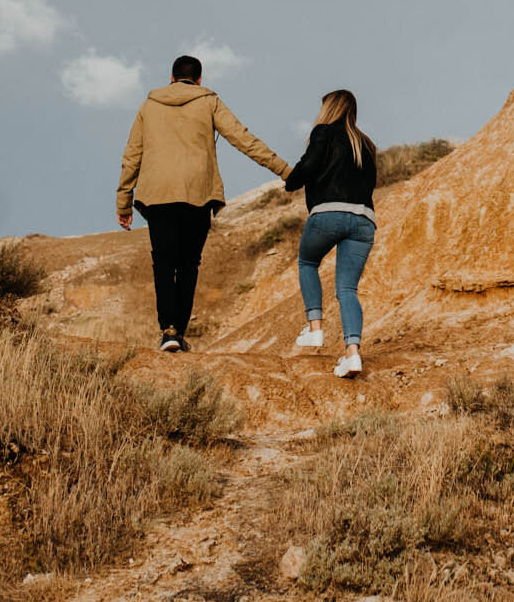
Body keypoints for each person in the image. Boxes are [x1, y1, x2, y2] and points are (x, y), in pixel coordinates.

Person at [116, 54, 290, 352]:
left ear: (171, 79)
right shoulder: (209, 101)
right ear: (199, 80)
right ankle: (178, 332)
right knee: (188, 265)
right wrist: (285, 170)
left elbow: (132, 155)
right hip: (198, 194)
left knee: (162, 262)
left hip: (157, 195)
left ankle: (167, 330)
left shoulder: (149, 105)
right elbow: (242, 138)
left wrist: (124, 202)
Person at [285, 89, 377, 378]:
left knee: (308, 263)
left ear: (330, 109)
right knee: (348, 290)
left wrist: (291, 181)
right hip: (363, 220)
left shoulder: (323, 132)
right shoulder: (366, 143)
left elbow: (308, 167)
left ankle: (315, 329)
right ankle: (352, 355)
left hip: (328, 213)